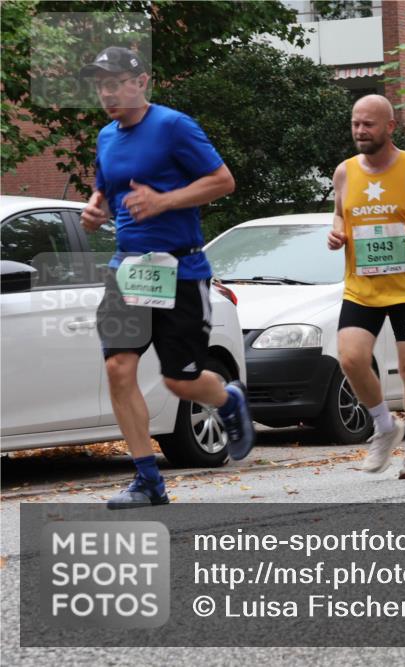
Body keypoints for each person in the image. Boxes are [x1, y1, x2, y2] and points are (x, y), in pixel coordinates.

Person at [77, 47, 255, 509]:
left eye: (115, 81)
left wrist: (163, 201)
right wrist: (97, 207)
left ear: (142, 82)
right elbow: (106, 186)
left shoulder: (174, 126)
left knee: (181, 382)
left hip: (180, 268)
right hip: (128, 269)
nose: (107, 92)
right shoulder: (106, 136)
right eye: (100, 84)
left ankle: (228, 400)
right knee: (119, 368)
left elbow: (222, 180)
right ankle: (148, 480)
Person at [327, 95, 405, 479]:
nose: (360, 131)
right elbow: (339, 213)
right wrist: (337, 232)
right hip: (361, 287)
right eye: (355, 124)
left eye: (368, 124)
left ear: (390, 127)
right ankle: (384, 426)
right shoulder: (345, 172)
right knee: (349, 358)